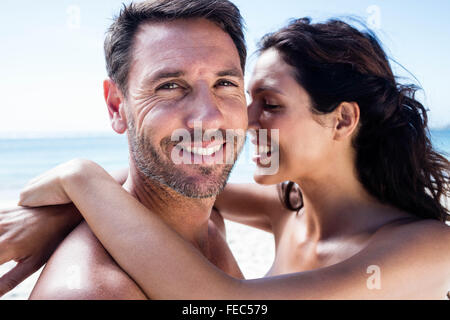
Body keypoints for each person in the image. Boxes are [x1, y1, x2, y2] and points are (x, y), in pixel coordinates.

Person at [3, 17, 450, 299]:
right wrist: (63, 214)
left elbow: (223, 302)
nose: (241, 121)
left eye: (270, 105)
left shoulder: (430, 246)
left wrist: (81, 178)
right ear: (117, 104)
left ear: (342, 120)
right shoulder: (286, 209)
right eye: (245, 95)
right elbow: (174, 179)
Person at [0, 0, 250, 299]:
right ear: (117, 106)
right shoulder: (92, 292)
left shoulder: (211, 223)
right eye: (169, 86)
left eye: (224, 82)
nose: (208, 117)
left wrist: (80, 191)